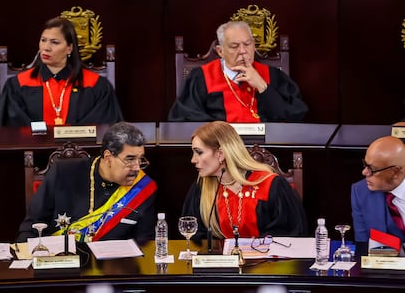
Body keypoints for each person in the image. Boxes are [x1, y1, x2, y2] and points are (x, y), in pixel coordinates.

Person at [16, 122, 158, 243]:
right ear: (108, 157)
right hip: (62, 265)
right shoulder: (62, 173)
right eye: (130, 159)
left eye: (140, 160)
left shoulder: (143, 189)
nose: (137, 168)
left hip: (114, 270)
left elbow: (145, 244)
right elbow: (30, 229)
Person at [181, 121, 307, 240]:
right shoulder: (201, 188)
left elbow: (292, 234)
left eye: (199, 152)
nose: (193, 160)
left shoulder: (271, 185)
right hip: (222, 262)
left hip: (267, 261)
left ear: (221, 154)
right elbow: (194, 237)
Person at [168, 21, 308, 123]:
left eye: (247, 44)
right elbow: (184, 119)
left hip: (268, 153)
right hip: (221, 153)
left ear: (254, 46)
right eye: (234, 46)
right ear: (220, 51)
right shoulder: (201, 77)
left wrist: (262, 87)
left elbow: (296, 114)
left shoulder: (273, 76)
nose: (243, 51)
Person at [0, 17, 123, 127]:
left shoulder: (96, 85)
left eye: (54, 42)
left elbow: (104, 127)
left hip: (82, 153)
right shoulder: (18, 84)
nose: (46, 48)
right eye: (43, 40)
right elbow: (13, 128)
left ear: (69, 48)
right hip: (33, 153)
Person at [351, 136, 405, 244]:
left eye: (372, 169)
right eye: (365, 165)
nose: (364, 172)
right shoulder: (360, 192)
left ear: (395, 172)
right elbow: (363, 244)